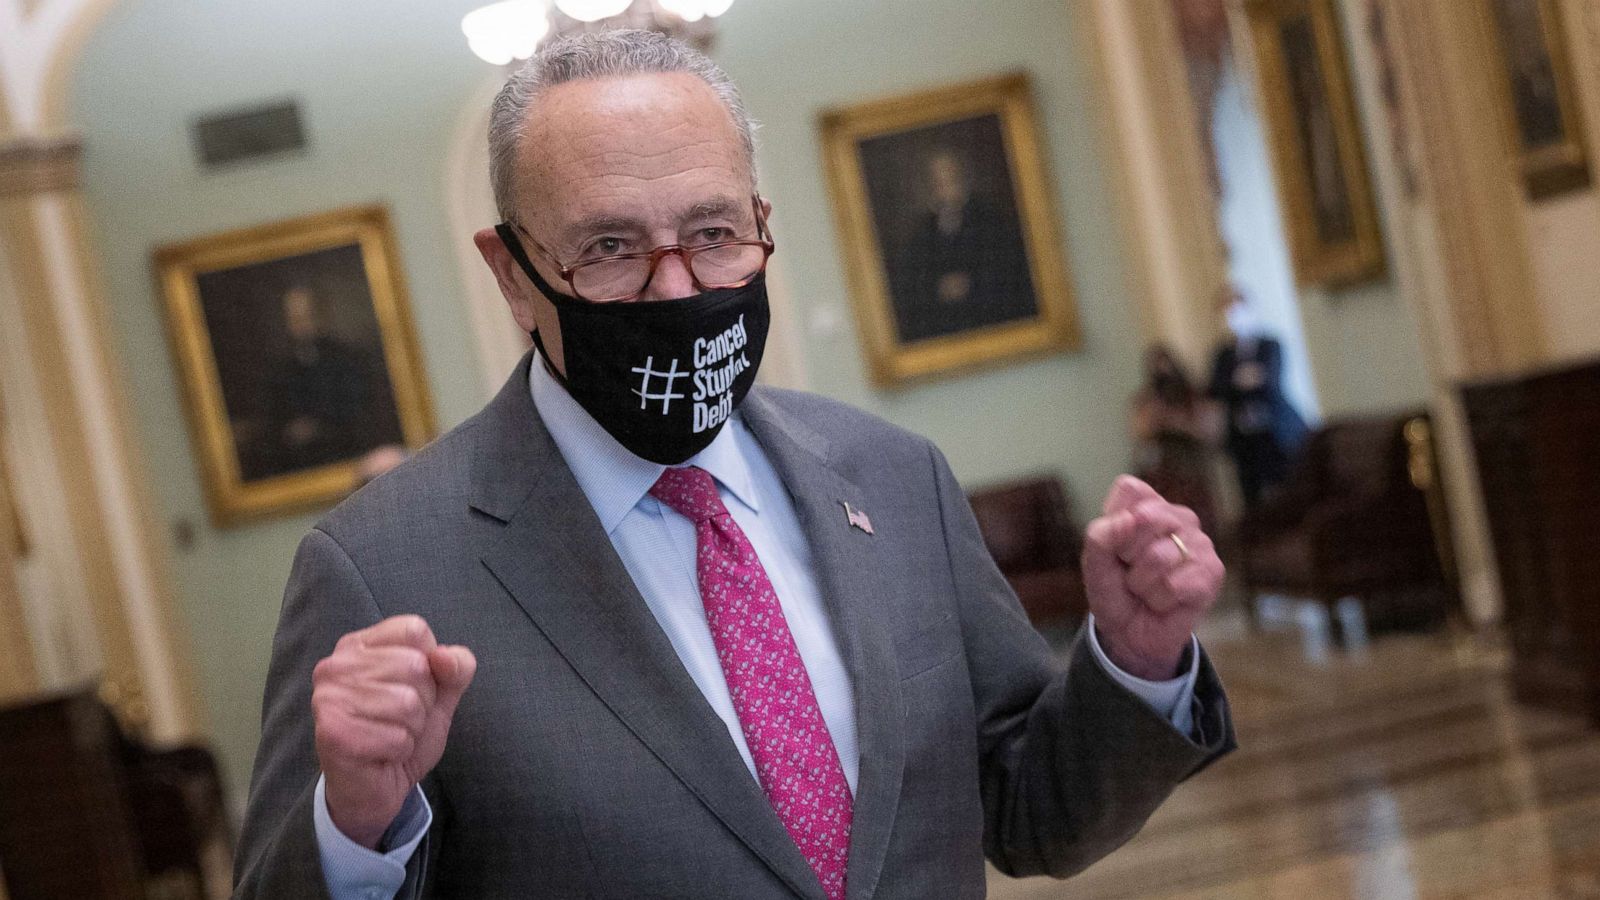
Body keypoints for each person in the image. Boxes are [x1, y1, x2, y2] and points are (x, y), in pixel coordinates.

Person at [235, 31, 1234, 900]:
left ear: (761, 223)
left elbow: (1029, 811)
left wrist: (1133, 663)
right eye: (610, 247)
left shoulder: (895, 479)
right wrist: (355, 826)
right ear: (513, 274)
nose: (676, 288)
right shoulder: (379, 568)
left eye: (713, 234)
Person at [249, 286, 403, 479]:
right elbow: (271, 422)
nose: (302, 324)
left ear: (321, 316)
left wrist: (319, 427)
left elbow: (361, 412)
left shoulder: (348, 360)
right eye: (296, 318)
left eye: (307, 316)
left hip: (345, 452)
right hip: (299, 466)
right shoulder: (280, 369)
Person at [887, 147, 1035, 343]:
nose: (944, 189)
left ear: (964, 180)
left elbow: (1012, 273)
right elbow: (912, 286)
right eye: (937, 183)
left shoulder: (991, 219)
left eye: (951, 180)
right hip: (948, 331)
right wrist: (939, 288)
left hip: (993, 323)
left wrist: (971, 284)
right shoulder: (922, 233)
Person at [1208, 287, 1309, 507]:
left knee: (1288, 491)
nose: (1232, 318)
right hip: (1243, 438)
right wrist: (1241, 380)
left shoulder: (1269, 345)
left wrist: (1238, 381)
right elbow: (1215, 389)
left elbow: (1271, 383)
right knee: (1252, 498)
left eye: (1235, 310)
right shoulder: (1223, 354)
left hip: (1276, 433)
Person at [1131, 345, 1220, 539]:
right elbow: (1141, 431)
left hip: (1192, 465)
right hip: (1163, 468)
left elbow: (1210, 432)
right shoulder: (1149, 399)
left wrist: (1178, 423)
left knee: (1200, 522)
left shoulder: (1192, 396)